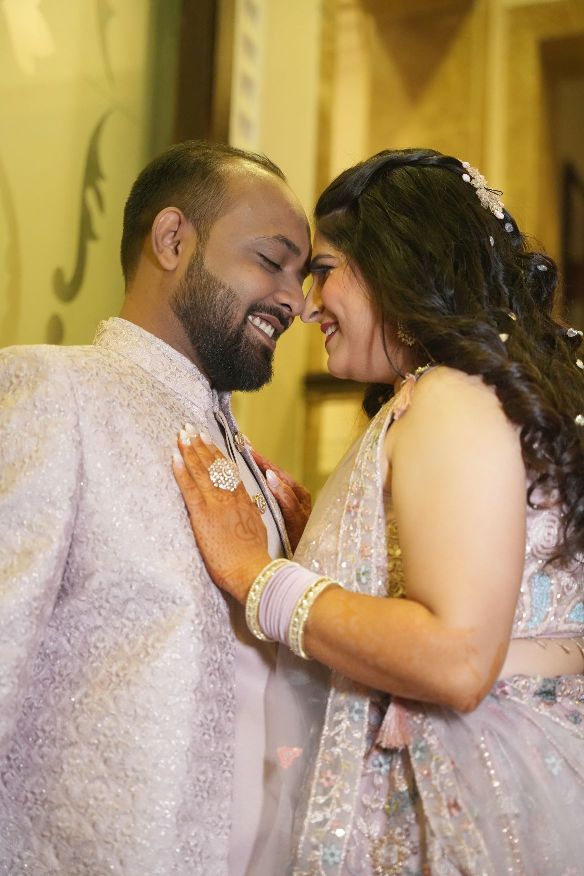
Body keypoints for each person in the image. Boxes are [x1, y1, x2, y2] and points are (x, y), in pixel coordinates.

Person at [173, 148, 584, 874]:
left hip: (463, 801)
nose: (307, 305)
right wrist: (332, 546)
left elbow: (458, 659)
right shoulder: (468, 395)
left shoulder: (450, 397)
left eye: (324, 270)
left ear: (397, 266)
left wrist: (258, 576)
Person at [0, 141, 311, 875]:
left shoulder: (251, 466)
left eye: (301, 277)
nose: (296, 301)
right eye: (272, 262)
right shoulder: (57, 392)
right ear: (172, 239)